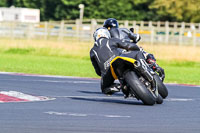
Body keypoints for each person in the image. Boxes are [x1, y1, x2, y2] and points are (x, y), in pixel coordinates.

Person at [90, 27, 144, 95]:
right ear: (107, 34)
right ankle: (143, 69)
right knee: (138, 53)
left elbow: (98, 72)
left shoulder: (92, 51)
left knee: (104, 89)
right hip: (119, 60)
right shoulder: (111, 40)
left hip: (108, 73)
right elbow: (128, 46)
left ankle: (120, 87)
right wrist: (138, 48)